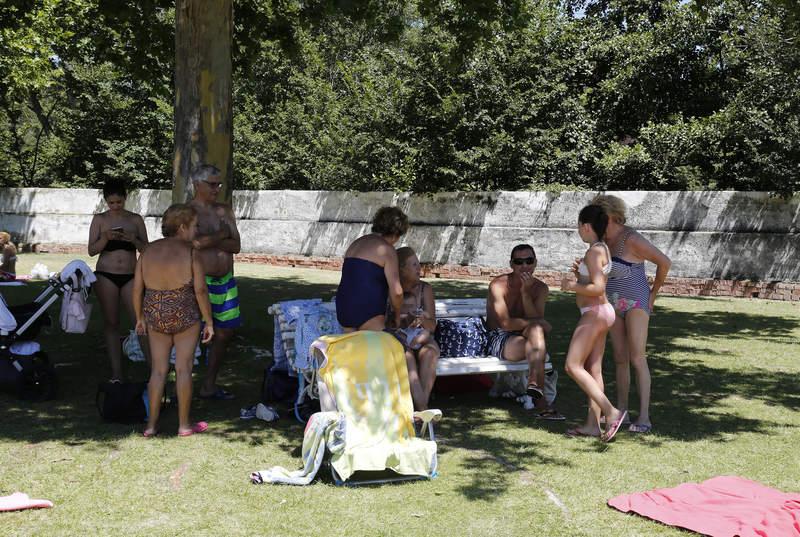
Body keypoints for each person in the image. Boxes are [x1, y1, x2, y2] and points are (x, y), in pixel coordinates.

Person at [592, 194, 671, 434]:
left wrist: (653, 294)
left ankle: (644, 416)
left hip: (637, 303)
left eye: (598, 219)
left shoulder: (631, 238)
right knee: (619, 358)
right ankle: (622, 412)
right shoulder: (602, 241)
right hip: (612, 304)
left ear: (610, 217)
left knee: (637, 358)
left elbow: (664, 262)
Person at [133, 204, 214, 437]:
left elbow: (137, 288)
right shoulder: (191, 253)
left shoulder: (147, 251)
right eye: (194, 227)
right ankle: (184, 425)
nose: (196, 231)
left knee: (158, 371)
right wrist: (208, 321)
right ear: (182, 227)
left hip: (155, 315)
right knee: (183, 368)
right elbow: (200, 290)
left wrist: (140, 317)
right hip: (185, 315)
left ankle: (150, 426)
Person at [561, 204, 626, 442]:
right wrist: (581, 277)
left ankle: (611, 412)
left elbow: (598, 288)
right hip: (601, 311)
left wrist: (571, 286)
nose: (578, 230)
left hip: (595, 313)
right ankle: (591, 425)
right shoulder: (602, 249)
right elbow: (594, 283)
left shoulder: (593, 252)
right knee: (593, 369)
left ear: (586, 226)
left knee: (572, 366)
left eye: (579, 226)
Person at [486, 244, 562, 419]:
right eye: (519, 262)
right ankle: (540, 400)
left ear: (535, 263)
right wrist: (536, 323)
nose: (524, 266)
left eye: (529, 261)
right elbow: (505, 324)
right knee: (537, 333)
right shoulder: (498, 285)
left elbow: (537, 321)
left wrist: (526, 294)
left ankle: (535, 387)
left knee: (536, 331)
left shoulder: (541, 288)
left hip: (528, 337)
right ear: (512, 264)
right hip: (499, 337)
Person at [188, 164, 242, 400]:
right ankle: (184, 384)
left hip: (226, 282)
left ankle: (209, 384)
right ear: (197, 184)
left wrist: (210, 240)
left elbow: (236, 246)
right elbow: (194, 244)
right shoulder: (187, 212)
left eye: (219, 183)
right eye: (212, 184)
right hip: (199, 282)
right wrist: (221, 235)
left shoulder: (225, 210)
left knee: (225, 333)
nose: (217, 188)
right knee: (191, 334)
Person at [87, 179, 149, 381]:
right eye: (111, 203)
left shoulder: (135, 220)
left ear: (125, 198)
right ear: (106, 200)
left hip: (131, 275)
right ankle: (117, 373)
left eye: (119, 202)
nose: (115, 206)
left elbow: (146, 250)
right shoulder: (99, 220)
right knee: (112, 322)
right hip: (106, 275)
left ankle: (155, 368)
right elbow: (91, 251)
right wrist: (105, 238)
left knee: (139, 321)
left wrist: (133, 239)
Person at [336, 206, 408, 332]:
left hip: (343, 310)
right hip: (369, 313)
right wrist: (397, 316)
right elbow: (397, 292)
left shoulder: (356, 244)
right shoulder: (386, 249)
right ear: (396, 234)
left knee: (354, 350)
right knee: (385, 349)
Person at [387, 246, 439, 410]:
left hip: (423, 339)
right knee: (407, 357)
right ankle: (423, 411)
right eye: (414, 265)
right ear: (401, 269)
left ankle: (419, 409)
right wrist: (402, 319)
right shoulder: (390, 290)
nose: (419, 268)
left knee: (429, 353)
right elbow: (386, 325)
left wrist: (422, 320)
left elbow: (432, 326)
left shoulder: (425, 289)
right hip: (398, 340)